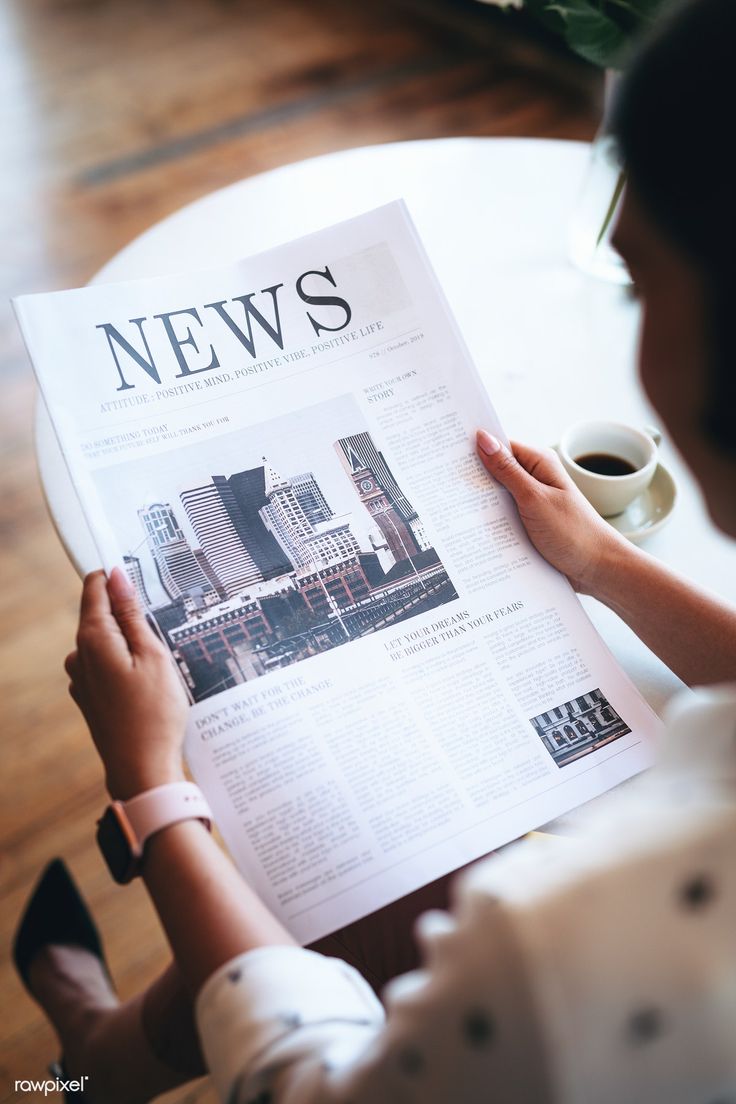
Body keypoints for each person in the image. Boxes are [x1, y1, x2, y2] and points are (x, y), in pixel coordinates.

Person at [13, 0, 736, 1099]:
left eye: (641, 284)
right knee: (381, 883)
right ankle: (90, 1063)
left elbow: (314, 1083)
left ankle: (75, 1068)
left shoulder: (585, 931)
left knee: (379, 898)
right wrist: (600, 564)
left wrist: (151, 787)